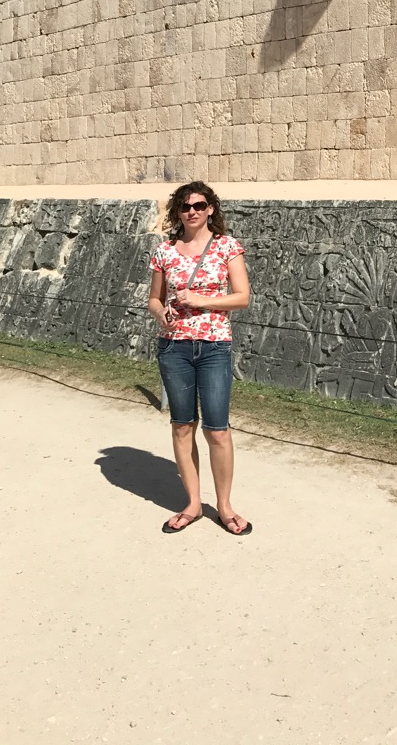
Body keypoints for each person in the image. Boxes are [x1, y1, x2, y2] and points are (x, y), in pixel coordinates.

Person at [148, 181, 252, 535]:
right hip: (174, 347)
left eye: (199, 205)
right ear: (177, 212)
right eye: (184, 206)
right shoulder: (165, 251)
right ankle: (192, 502)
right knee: (182, 426)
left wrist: (202, 301)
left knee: (218, 430)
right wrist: (160, 312)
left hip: (213, 347)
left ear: (210, 209)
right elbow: (154, 299)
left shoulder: (227, 247)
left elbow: (241, 298)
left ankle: (224, 506)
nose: (191, 211)